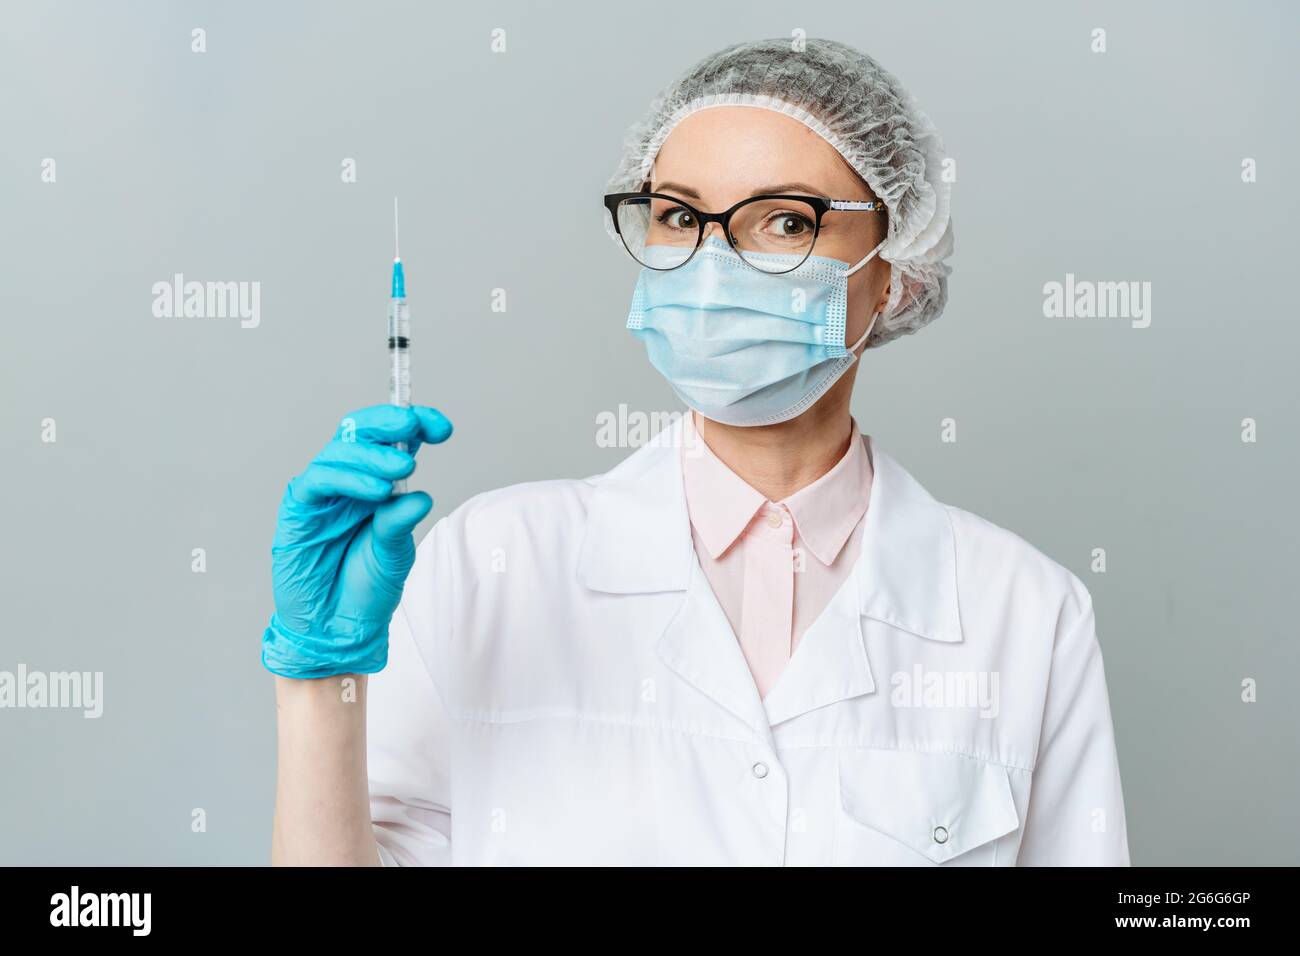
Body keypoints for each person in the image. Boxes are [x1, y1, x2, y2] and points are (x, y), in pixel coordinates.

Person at [264, 38, 1129, 866]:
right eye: (679, 215)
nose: (712, 265)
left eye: (784, 223)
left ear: (896, 269)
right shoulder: (492, 563)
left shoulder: (1025, 614)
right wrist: (318, 682)